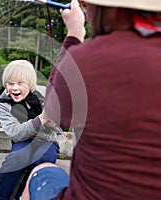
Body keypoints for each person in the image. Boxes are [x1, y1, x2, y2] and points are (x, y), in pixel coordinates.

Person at [22, 0, 161, 199]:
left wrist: (74, 35)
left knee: (42, 171)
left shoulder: (86, 60)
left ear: (110, 10)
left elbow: (52, 113)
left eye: (88, 5)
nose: (87, 13)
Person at [0, 60, 60, 200]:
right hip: (22, 140)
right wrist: (41, 119)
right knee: (18, 157)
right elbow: (16, 133)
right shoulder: (2, 104)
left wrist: (53, 122)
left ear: (30, 84)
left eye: (20, 83)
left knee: (43, 160)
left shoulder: (44, 93)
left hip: (46, 139)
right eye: (10, 83)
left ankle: (23, 197)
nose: (14, 88)